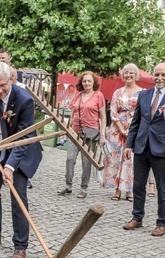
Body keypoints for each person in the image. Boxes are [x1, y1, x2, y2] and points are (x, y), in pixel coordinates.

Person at [0, 62, 42, 258]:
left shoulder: (24, 100)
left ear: (10, 79)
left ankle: (20, 246)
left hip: (21, 153)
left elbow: (24, 138)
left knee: (17, 196)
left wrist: (10, 167)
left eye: (2, 85)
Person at [123, 62, 165, 237]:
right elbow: (136, 122)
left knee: (162, 187)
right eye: (156, 74)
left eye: (163, 75)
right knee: (138, 185)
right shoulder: (144, 95)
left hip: (162, 149)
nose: (159, 78)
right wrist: (129, 144)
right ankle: (137, 217)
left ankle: (161, 223)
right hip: (141, 147)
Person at [57, 71, 106, 199]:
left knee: (86, 162)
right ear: (81, 82)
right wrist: (67, 128)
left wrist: (102, 135)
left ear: (93, 82)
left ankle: (84, 188)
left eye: (89, 81)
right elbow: (73, 113)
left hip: (90, 134)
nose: (87, 83)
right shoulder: (78, 95)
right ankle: (68, 186)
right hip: (75, 132)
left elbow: (103, 117)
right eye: (84, 81)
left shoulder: (98, 95)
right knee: (70, 159)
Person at [103, 63, 143, 201]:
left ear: (136, 75)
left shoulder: (142, 93)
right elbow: (113, 113)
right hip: (116, 130)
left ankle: (129, 190)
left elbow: (143, 113)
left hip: (135, 129)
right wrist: (122, 129)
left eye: (131, 73)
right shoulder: (118, 92)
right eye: (126, 73)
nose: (128, 75)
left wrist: (131, 130)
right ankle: (117, 189)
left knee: (131, 160)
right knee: (115, 159)